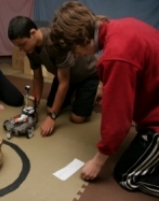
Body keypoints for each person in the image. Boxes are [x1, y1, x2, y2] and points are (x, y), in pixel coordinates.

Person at [50, 1, 159, 197]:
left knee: (126, 175)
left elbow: (118, 121)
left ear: (81, 40)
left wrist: (98, 160)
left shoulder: (116, 55)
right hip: (153, 103)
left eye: (74, 50)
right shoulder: (120, 26)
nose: (76, 55)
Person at [8, 16, 100, 137]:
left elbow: (64, 83)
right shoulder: (30, 49)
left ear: (33, 33)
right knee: (49, 108)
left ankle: (96, 93)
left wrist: (52, 117)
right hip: (64, 76)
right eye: (18, 46)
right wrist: (35, 105)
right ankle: (74, 95)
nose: (21, 49)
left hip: (86, 75)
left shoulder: (55, 43)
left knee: (76, 118)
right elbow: (37, 77)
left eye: (22, 44)